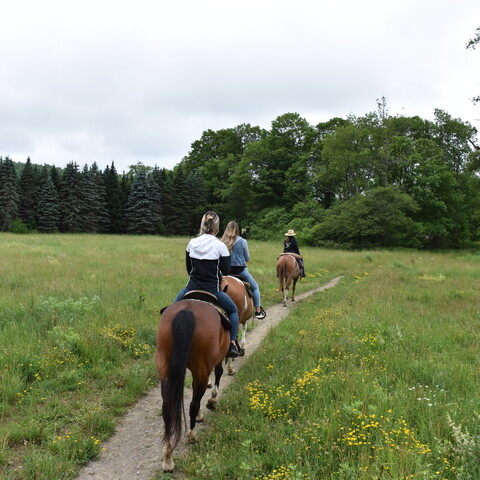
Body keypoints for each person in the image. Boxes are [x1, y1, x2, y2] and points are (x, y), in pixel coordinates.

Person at [174, 211, 240, 358]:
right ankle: (232, 343)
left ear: (202, 225)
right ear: (216, 227)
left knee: (170, 310)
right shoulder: (220, 246)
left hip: (190, 288)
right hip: (213, 290)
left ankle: (169, 339)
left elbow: (189, 269)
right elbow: (226, 270)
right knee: (233, 310)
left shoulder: (192, 243)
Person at [221, 221, 266, 320]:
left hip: (226, 271)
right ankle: (258, 311)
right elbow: (247, 258)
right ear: (237, 229)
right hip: (240, 271)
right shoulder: (243, 241)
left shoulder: (222, 241)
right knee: (254, 287)